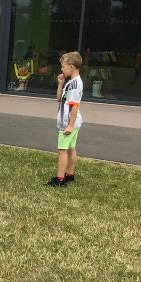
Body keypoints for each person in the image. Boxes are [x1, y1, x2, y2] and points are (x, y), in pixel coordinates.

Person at [47, 51, 83, 187]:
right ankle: (70, 175)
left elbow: (75, 106)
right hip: (72, 122)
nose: (62, 69)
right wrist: (60, 84)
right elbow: (59, 99)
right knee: (71, 148)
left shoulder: (74, 85)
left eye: (63, 66)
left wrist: (70, 125)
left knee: (62, 150)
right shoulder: (71, 82)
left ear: (71, 67)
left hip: (68, 123)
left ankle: (60, 179)